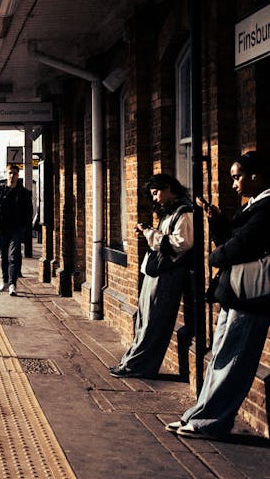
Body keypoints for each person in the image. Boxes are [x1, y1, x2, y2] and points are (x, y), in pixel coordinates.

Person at [168, 151, 270, 439]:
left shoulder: (266, 209)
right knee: (220, 357)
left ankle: (212, 422)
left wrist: (215, 257)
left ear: (255, 176)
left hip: (251, 296)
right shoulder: (253, 205)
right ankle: (199, 415)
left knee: (234, 361)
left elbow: (243, 246)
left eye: (237, 177)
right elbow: (232, 240)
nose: (234, 184)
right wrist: (218, 222)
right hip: (236, 293)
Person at [109, 174, 193, 378]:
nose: (155, 199)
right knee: (145, 319)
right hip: (157, 271)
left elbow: (182, 243)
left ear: (168, 188)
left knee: (154, 322)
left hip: (168, 274)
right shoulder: (170, 212)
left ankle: (137, 366)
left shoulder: (184, 212)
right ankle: (131, 361)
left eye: (156, 193)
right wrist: (151, 231)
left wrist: (150, 234)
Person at [0, 164, 33, 296]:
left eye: (15, 173)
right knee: (3, 256)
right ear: (6, 174)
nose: (12, 176)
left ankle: (12, 284)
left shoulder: (23, 193)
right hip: (2, 229)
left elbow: (29, 212)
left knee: (13, 256)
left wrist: (25, 228)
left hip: (16, 229)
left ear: (18, 175)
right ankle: (5, 281)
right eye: (10, 173)